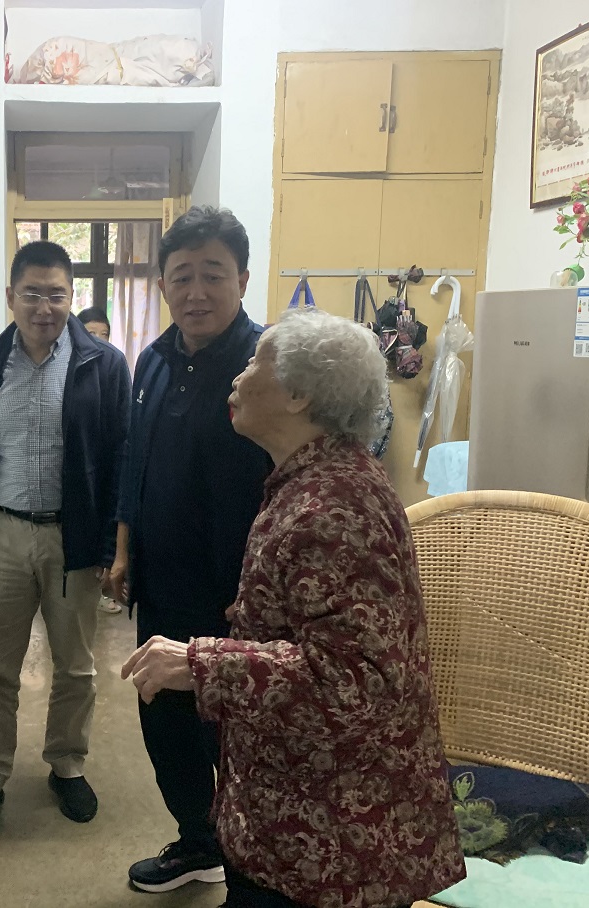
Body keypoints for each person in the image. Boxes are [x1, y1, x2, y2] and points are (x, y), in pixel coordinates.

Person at [122, 307, 466, 908]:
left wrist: (200, 664)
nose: (238, 376)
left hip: (330, 846)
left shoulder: (335, 509)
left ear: (299, 395)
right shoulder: (313, 481)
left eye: (256, 363)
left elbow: (356, 681)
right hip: (295, 818)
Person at [109, 205, 274, 894]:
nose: (196, 291)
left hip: (241, 598)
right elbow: (134, 461)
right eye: (182, 276)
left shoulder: (270, 365)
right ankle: (198, 842)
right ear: (163, 285)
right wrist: (124, 550)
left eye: (213, 274)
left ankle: (251, 867)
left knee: (236, 738)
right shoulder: (151, 361)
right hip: (163, 590)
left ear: (242, 279)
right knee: (166, 724)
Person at [0, 242, 131, 840]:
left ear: (71, 297)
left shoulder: (103, 366)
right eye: (31, 293)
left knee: (76, 666)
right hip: (2, 533)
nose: (44, 307)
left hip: (71, 537)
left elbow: (120, 460)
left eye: (56, 294)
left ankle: (67, 764)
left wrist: (113, 547)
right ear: (11, 296)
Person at [76, 304, 123, 615]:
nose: (97, 341)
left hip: (93, 513)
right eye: (90, 333)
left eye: (103, 334)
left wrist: (112, 550)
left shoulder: (114, 367)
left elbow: (121, 451)